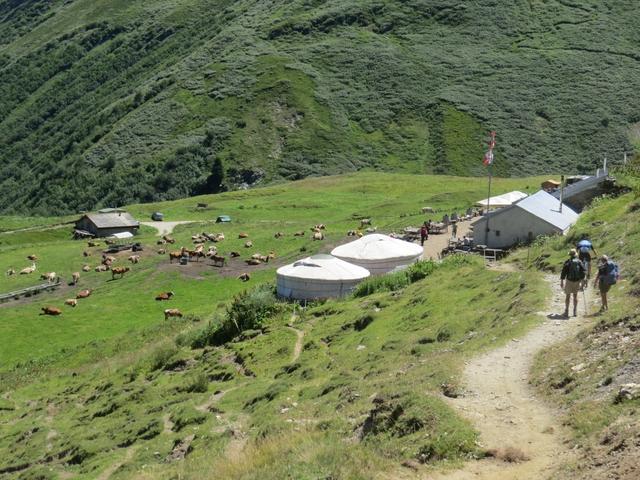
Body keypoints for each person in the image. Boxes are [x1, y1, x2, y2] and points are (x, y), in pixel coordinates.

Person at [560, 249, 586, 317]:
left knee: (567, 296)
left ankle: (567, 311)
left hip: (569, 280)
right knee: (575, 296)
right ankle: (575, 311)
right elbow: (583, 271)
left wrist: (562, 281)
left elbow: (563, 272)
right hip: (577, 281)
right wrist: (583, 281)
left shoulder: (568, 262)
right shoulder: (579, 261)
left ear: (570, 255)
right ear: (576, 254)